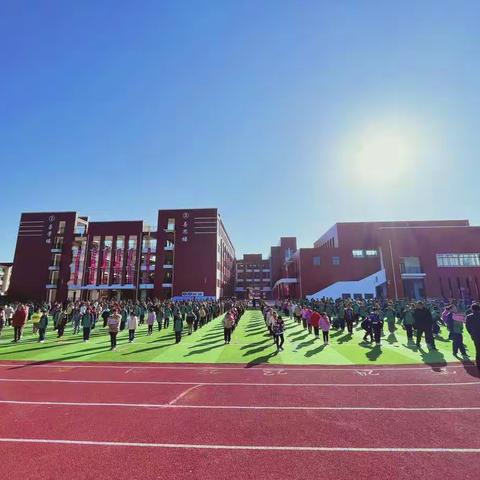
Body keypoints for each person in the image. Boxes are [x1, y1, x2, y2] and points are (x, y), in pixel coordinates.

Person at [466, 303, 480, 370]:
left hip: (475, 336)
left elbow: (467, 327)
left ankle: (478, 366)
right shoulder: (469, 316)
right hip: (476, 335)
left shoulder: (469, 316)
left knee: (478, 351)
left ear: (472, 309)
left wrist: (471, 333)